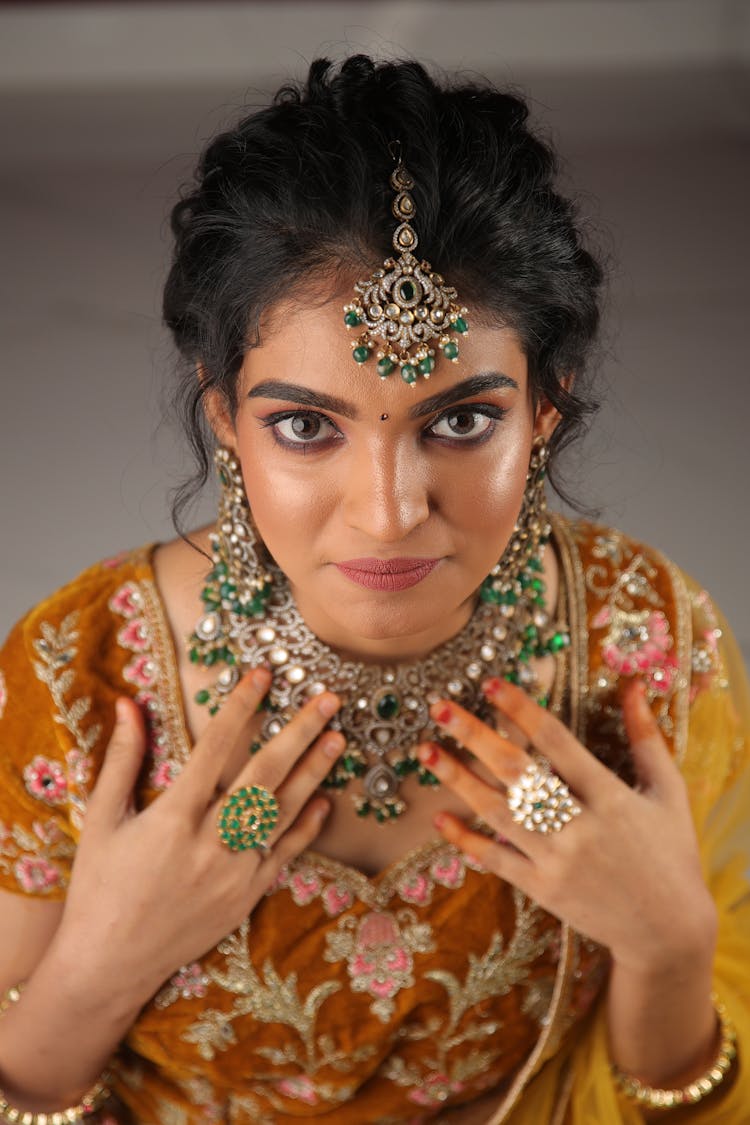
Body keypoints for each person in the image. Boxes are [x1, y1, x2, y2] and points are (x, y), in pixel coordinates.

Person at [0, 55, 747, 1125]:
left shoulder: (644, 637)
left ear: (546, 410)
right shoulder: (82, 679)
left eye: (461, 420)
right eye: (306, 426)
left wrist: (670, 949)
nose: (389, 511)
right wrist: (97, 967)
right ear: (224, 419)